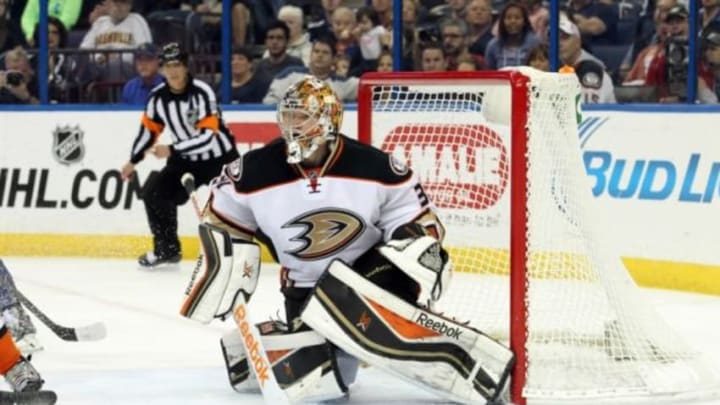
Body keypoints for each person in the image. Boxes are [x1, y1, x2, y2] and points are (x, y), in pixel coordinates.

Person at [179, 76, 514, 404]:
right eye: (289, 115)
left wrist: (417, 248)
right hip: (305, 292)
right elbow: (224, 223)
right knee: (320, 380)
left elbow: (417, 220)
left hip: (371, 277)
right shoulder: (252, 171)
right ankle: (330, 336)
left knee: (343, 299)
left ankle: (442, 345)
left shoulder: (375, 166)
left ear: (328, 120)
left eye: (303, 116)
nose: (293, 125)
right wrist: (224, 262)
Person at [120, 43, 240, 269]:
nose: (173, 71)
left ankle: (275, 245)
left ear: (186, 67)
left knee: (245, 201)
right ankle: (167, 250)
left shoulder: (202, 92)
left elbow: (208, 137)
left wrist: (173, 149)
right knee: (154, 195)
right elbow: (148, 133)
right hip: (186, 160)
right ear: (162, 69)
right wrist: (132, 161)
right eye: (168, 66)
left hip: (220, 158)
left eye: (177, 65)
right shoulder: (157, 98)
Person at [263, 36, 359, 104]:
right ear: (310, 54)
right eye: (316, 51)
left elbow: (369, 87)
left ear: (334, 58)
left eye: (325, 52)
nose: (320, 55)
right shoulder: (291, 74)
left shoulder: (342, 83)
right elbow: (269, 102)